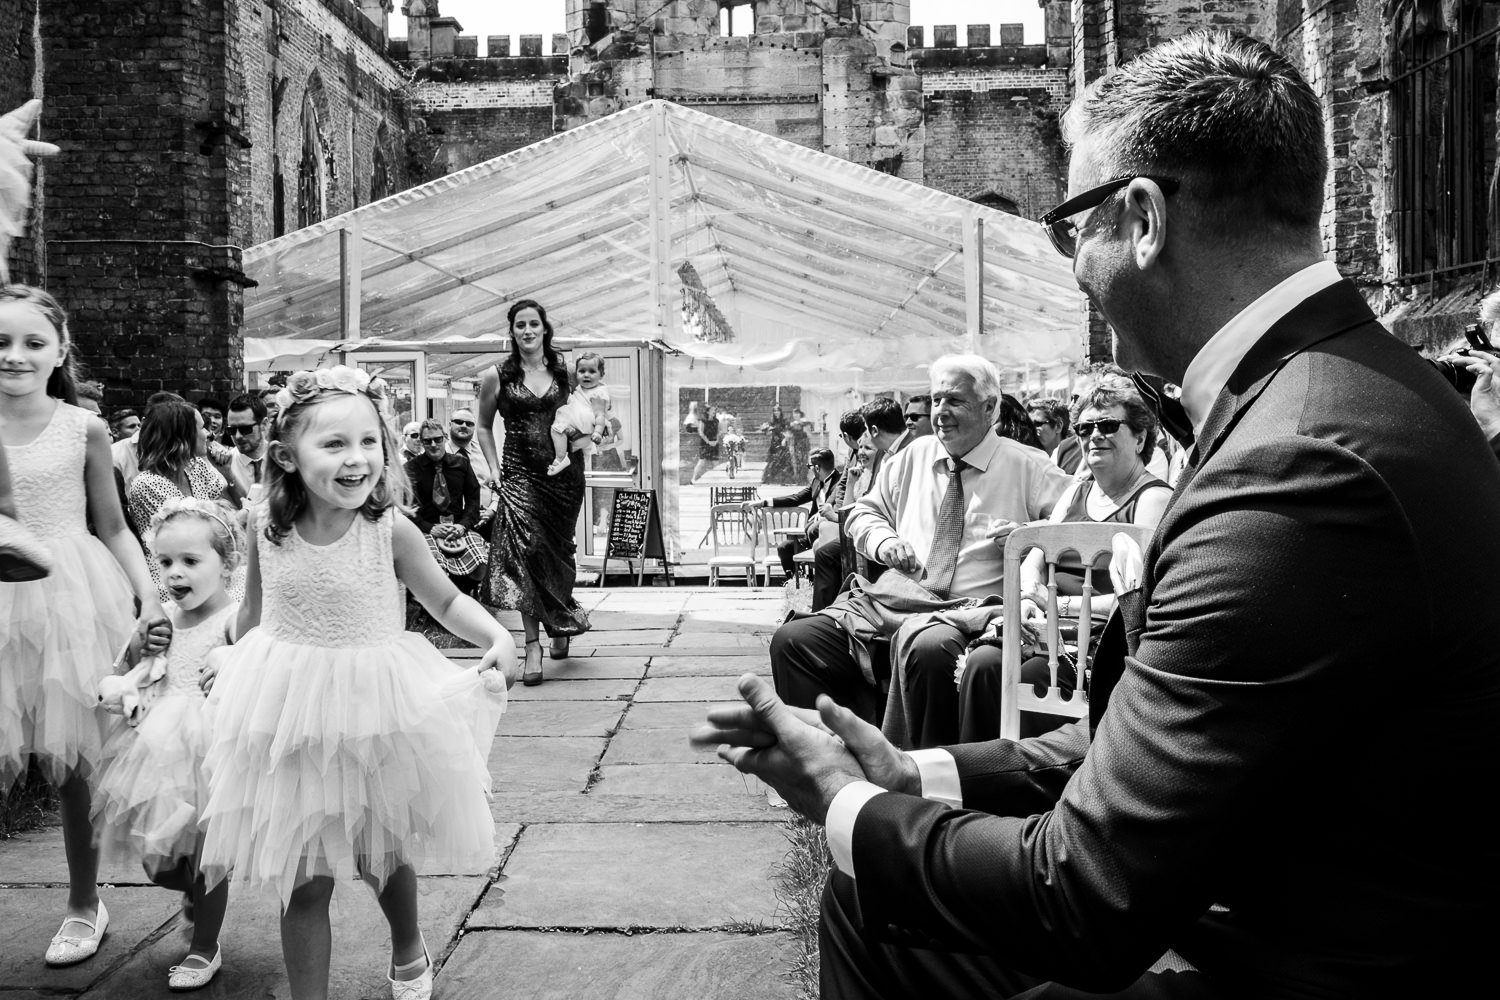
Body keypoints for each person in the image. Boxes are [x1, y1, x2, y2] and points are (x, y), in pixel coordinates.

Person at [696, 31, 1500, 998]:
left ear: (1145, 219)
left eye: (1071, 223)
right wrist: (919, 779)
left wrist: (848, 805)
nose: (1072, 260)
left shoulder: (1298, 462)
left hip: (1324, 966)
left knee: (881, 889)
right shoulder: (1333, 389)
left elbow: (1082, 898)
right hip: (1281, 898)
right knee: (873, 904)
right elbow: (1156, 731)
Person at [198, 365, 516, 1000]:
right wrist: (220, 649)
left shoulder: (389, 531)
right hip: (287, 709)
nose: (356, 459)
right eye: (334, 444)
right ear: (286, 455)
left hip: (375, 710)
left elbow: (448, 602)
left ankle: (407, 945)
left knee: (382, 856)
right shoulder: (267, 528)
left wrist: (499, 638)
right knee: (305, 879)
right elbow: (255, 615)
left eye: (369, 441)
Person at [769, 355, 1071, 741]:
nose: (940, 412)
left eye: (954, 401)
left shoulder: (1029, 467)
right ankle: (828, 763)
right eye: (936, 400)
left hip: (972, 611)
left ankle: (925, 783)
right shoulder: (914, 456)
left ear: (990, 407)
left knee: (930, 647)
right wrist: (884, 541)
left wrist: (1029, 534)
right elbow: (864, 513)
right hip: (898, 600)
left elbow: (1080, 526)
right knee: (794, 641)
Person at [0, 284, 168, 968]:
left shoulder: (83, 428)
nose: (14, 356)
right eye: (1, 342)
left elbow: (115, 527)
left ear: (60, 351)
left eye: (32, 342)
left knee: (74, 762)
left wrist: (150, 596)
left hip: (70, 595)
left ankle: (82, 901)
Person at [958, 374, 1171, 742]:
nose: (1094, 435)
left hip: (1103, 644)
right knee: (983, 664)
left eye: (1107, 425)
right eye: (1085, 427)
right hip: (1047, 629)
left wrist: (1061, 604)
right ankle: (979, 779)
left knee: (1034, 675)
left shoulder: (1152, 499)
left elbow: (1142, 596)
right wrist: (1028, 597)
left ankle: (1035, 783)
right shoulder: (1074, 493)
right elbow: (1035, 557)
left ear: (1139, 437)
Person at [91, 497, 241, 990]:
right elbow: (133, 671)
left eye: (191, 561)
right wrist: (140, 654)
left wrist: (231, 659)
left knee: (207, 858)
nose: (176, 573)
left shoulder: (235, 620)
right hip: (158, 754)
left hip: (213, 751)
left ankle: (204, 947)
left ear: (227, 565)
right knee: (161, 865)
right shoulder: (165, 620)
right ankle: (192, 894)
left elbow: (258, 662)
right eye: (166, 562)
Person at [477, 299, 591, 685]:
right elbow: (481, 426)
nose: (527, 331)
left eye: (533, 325)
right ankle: (532, 644)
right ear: (512, 332)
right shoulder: (497, 376)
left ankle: (560, 621)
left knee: (557, 552)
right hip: (519, 473)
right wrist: (493, 469)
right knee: (527, 553)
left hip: (564, 476)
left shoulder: (566, 372)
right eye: (520, 325)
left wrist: (589, 436)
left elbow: (586, 413)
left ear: (545, 329)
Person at [126, 400, 240, 601]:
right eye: (202, 428)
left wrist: (226, 472)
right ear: (182, 436)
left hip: (206, 562)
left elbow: (230, 507)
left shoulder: (195, 467)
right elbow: (193, 531)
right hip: (172, 575)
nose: (208, 434)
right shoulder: (146, 484)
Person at [405, 418, 486, 596]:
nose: (433, 445)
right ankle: (435, 607)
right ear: (421, 442)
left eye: (437, 439)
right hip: (427, 530)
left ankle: (465, 597)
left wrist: (462, 525)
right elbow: (407, 508)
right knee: (434, 566)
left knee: (482, 560)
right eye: (427, 441)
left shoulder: (461, 464)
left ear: (444, 438)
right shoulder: (410, 469)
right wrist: (430, 528)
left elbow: (473, 499)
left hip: (458, 528)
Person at [742, 447, 839, 582]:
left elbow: (839, 509)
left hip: (829, 535)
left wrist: (823, 515)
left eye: (809, 466)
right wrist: (763, 502)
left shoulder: (840, 483)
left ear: (817, 468)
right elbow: (796, 498)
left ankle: (817, 582)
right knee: (785, 548)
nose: (808, 469)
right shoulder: (816, 482)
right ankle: (798, 582)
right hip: (810, 534)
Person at [548, 352, 611, 477]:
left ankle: (560, 458)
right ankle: (563, 455)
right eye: (582, 371)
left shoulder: (598, 393)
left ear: (602, 375)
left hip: (584, 421)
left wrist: (598, 432)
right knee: (564, 434)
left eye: (592, 371)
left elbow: (600, 415)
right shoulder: (583, 388)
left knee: (557, 429)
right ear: (576, 374)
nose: (586, 375)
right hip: (578, 422)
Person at [225, 392, 271, 503]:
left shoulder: (280, 460)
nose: (238, 436)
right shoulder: (226, 465)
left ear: (264, 425)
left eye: (245, 429)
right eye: (231, 430)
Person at [1028, 396, 1082, 473]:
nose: (1032, 429)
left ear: (1058, 426)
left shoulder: (1076, 460)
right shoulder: (1030, 462)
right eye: (1029, 425)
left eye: (1038, 424)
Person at [445, 406, 491, 488]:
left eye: (469, 423)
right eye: (459, 422)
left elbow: (497, 483)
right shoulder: (439, 452)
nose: (464, 426)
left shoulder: (485, 451)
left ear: (474, 428)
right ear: (449, 425)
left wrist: (495, 500)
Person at [759, 403, 797, 484]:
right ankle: (772, 480)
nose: (776, 412)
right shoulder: (772, 422)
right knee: (773, 460)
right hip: (774, 442)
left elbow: (788, 432)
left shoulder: (784, 421)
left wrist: (784, 440)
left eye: (778, 411)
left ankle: (784, 480)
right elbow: (767, 432)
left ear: (780, 412)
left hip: (782, 442)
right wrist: (765, 429)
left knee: (784, 461)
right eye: (774, 411)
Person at [691, 402, 721, 484]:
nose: (714, 411)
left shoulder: (716, 421)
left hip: (714, 443)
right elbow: (700, 432)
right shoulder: (703, 420)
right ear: (708, 411)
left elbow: (718, 432)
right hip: (705, 444)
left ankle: (717, 481)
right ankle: (693, 479)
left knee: (716, 463)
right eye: (712, 410)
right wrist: (708, 442)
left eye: (715, 410)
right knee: (701, 462)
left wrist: (716, 441)